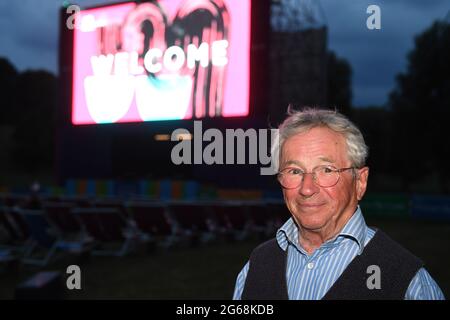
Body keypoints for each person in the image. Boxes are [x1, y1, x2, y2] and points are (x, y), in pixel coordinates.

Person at [233, 107, 444, 300]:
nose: (307, 188)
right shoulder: (255, 268)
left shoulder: (408, 283)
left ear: (360, 182)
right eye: (294, 171)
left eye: (326, 170)